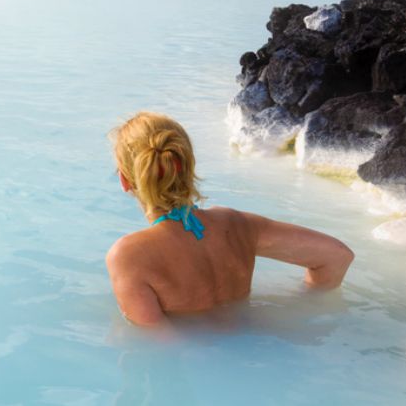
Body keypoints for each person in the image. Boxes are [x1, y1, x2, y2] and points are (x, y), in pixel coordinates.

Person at [106, 112, 354, 326]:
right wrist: (303, 308)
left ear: (125, 180)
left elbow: (158, 346)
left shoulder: (129, 255)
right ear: (187, 165)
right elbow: (336, 256)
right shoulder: (236, 224)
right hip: (258, 348)